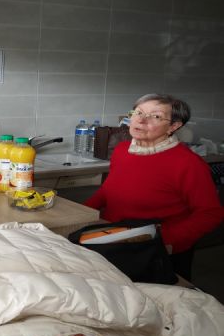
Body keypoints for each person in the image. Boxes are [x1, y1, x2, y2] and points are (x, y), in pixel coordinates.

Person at [85, 93, 223, 281]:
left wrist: (162, 239)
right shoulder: (123, 150)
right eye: (138, 112)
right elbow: (109, 190)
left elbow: (210, 214)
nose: (141, 120)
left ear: (173, 126)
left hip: (159, 252)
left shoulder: (188, 163)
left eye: (156, 116)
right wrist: (82, 213)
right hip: (114, 240)